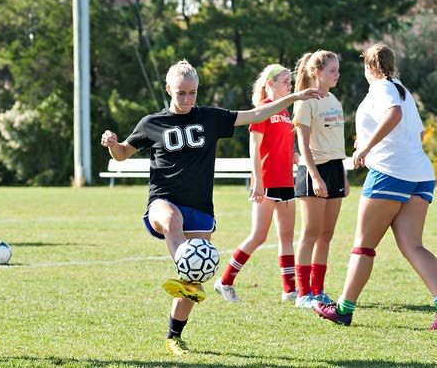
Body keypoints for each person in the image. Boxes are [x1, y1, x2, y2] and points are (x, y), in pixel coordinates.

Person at [101, 59, 323, 356]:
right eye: (180, 93)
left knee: (190, 283)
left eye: (192, 93)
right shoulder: (151, 124)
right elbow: (121, 155)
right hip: (162, 201)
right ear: (168, 89)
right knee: (171, 219)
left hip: (201, 209)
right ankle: (184, 261)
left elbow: (256, 113)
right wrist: (112, 143)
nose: (186, 99)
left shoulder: (209, 118)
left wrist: (293, 97)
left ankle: (174, 336)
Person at [313, 43, 437, 328]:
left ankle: (343, 309)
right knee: (413, 246)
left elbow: (393, 115)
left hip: (390, 173)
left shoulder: (382, 88)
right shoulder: (401, 88)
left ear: (369, 66)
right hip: (420, 173)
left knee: (363, 247)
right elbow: (415, 132)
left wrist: (364, 149)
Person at [214, 64, 299, 303]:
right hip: (267, 181)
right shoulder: (261, 110)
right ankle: (225, 281)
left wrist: (297, 156)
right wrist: (258, 181)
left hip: (286, 181)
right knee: (258, 236)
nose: (289, 85)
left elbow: (283, 145)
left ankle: (289, 291)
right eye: (285, 81)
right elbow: (255, 147)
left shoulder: (285, 113)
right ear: (270, 84)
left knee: (287, 236)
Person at [292, 50, 349, 309]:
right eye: (332, 71)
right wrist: (315, 176)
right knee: (310, 234)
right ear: (317, 72)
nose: (337, 75)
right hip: (314, 171)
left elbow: (337, 143)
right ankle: (303, 294)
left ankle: (319, 290)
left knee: (327, 234)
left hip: (336, 169)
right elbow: (302, 144)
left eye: (338, 70)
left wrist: (344, 175)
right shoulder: (306, 101)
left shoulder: (334, 99)